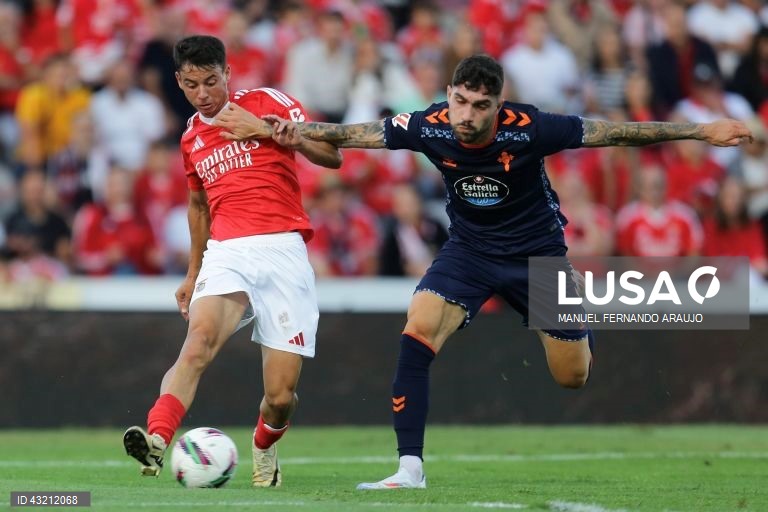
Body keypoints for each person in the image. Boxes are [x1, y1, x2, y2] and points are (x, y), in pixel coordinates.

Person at [214, 54, 752, 490]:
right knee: (416, 330)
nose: (466, 115)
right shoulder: (429, 124)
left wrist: (700, 131)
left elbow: (616, 133)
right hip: (468, 251)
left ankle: (576, 320)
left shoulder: (532, 128)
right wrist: (270, 128)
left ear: (499, 104)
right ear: (449, 95)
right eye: (460, 101)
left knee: (573, 376)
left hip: (539, 255)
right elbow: (352, 134)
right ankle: (409, 469)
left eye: (480, 105)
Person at [122, 35, 342, 487]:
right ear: (179, 82)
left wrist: (273, 131)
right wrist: (192, 271)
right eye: (190, 85)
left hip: (283, 250)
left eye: (210, 81)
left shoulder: (267, 101)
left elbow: (332, 154)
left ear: (228, 73)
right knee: (197, 342)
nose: (202, 94)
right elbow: (199, 207)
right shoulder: (190, 137)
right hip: (228, 252)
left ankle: (265, 449)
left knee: (280, 396)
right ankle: (158, 440)